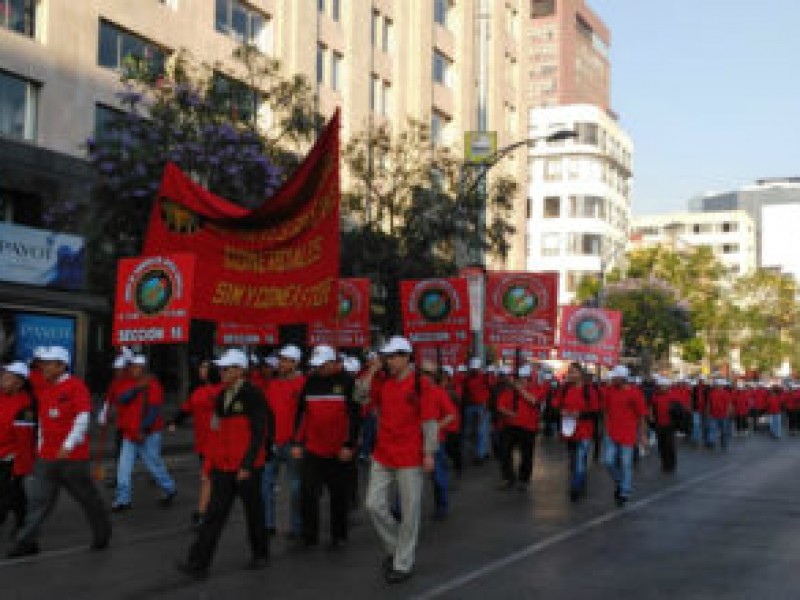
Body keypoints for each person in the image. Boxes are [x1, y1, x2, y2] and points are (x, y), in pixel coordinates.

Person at [8, 346, 111, 558]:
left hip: (72, 459)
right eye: (42, 363)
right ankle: (27, 542)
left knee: (87, 498)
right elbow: (23, 372)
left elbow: (82, 417)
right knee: (38, 501)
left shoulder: (76, 386)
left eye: (49, 363)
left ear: (62, 366)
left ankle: (102, 534)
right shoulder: (41, 383)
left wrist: (69, 444)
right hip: (45, 457)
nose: (43, 367)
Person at [178, 349, 272, 579]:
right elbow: (215, 432)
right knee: (213, 515)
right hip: (223, 466)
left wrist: (247, 465)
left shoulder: (254, 395)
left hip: (246, 468)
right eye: (221, 368)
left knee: (254, 512)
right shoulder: (221, 397)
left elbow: (260, 434)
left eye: (227, 368)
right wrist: (209, 464)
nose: (221, 372)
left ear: (240, 371)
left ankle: (260, 553)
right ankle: (198, 562)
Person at [360, 336, 438, 584]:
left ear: (406, 357)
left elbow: (429, 421)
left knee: (410, 512)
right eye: (387, 357)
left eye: (394, 356)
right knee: (373, 504)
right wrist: (372, 372)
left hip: (410, 457)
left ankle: (403, 563)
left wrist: (428, 453)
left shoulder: (421, 385)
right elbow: (360, 397)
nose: (389, 361)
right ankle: (395, 547)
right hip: (383, 453)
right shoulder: (384, 383)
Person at [291, 345, 358, 549]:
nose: (318, 369)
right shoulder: (310, 381)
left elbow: (355, 416)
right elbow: (302, 414)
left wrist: (349, 444)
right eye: (316, 365)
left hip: (338, 450)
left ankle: (339, 535)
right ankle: (309, 536)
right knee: (308, 494)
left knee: (338, 495)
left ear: (332, 363)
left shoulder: (348, 381)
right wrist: (297, 442)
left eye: (322, 365)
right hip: (313, 448)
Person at [111, 355, 177, 511]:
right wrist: (137, 388)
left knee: (154, 466)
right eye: (132, 366)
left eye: (138, 367)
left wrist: (143, 430)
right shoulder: (127, 383)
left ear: (144, 368)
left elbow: (153, 411)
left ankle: (170, 489)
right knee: (123, 468)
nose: (134, 369)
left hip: (149, 434)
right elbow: (121, 399)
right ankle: (123, 500)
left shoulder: (154, 385)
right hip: (130, 434)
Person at [170, 359, 223, 527]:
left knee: (207, 478)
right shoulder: (198, 391)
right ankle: (212, 507)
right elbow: (186, 409)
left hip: (216, 442)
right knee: (213, 479)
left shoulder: (220, 390)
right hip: (201, 442)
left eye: (204, 367)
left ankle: (202, 512)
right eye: (200, 366)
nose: (201, 369)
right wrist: (174, 422)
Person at [262, 345, 305, 539]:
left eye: (286, 360)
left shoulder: (304, 384)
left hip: (293, 444)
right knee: (265, 485)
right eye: (280, 359)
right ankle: (267, 524)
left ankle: (297, 526)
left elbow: (305, 415)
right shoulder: (272, 385)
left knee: (296, 488)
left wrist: (299, 442)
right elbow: (267, 415)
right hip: (272, 443)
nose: (281, 363)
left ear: (296, 363)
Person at [601, 366, 648, 507]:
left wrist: (643, 435)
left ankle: (624, 492)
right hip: (611, 432)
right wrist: (605, 427)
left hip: (628, 434)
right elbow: (605, 410)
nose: (612, 379)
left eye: (615, 377)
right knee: (608, 462)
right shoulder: (609, 391)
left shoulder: (635, 393)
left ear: (622, 378)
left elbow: (641, 416)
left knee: (626, 464)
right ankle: (620, 481)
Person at [552, 363, 599, 501]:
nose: (571, 375)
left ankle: (575, 488)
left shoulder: (589, 390)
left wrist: (580, 414)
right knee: (574, 460)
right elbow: (555, 404)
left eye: (573, 372)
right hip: (569, 430)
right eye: (569, 372)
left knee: (579, 458)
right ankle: (580, 481)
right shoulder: (564, 388)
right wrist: (562, 411)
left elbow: (595, 410)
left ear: (580, 373)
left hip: (585, 430)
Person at [0, 362, 36, 534]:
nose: (2, 381)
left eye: (7, 378)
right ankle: (23, 523)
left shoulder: (25, 406)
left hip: (12, 459)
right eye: (3, 376)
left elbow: (24, 441)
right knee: (16, 497)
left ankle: (24, 526)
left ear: (19, 383)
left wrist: (21, 468)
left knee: (8, 497)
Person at [496, 364, 541, 492]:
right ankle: (507, 477)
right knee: (504, 452)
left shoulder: (535, 389)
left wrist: (520, 390)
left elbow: (534, 401)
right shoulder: (508, 392)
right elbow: (500, 406)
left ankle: (524, 479)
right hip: (509, 426)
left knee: (526, 454)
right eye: (519, 378)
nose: (521, 381)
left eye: (524, 378)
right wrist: (510, 413)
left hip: (528, 427)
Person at [462, 358, 491, 464]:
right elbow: (465, 393)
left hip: (481, 407)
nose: (474, 370)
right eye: (473, 368)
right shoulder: (467, 379)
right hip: (471, 406)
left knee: (481, 432)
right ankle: (473, 453)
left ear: (479, 368)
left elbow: (490, 391)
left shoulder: (485, 378)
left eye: (476, 368)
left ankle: (480, 455)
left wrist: (486, 405)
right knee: (469, 432)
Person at [650, 376, 678, 473]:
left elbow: (678, 410)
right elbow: (651, 407)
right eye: (660, 386)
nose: (662, 388)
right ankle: (664, 463)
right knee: (661, 445)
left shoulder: (672, 396)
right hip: (659, 424)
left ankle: (671, 463)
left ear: (667, 386)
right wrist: (651, 417)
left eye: (664, 386)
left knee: (669, 444)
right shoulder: (655, 396)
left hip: (670, 424)